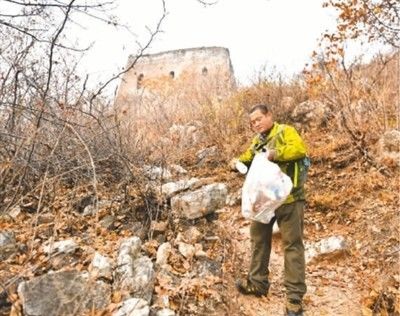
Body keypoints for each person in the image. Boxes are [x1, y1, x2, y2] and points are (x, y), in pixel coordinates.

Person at [230, 104, 308, 316]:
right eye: (252, 122)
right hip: (265, 202)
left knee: (292, 245)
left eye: (259, 119)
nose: (256, 124)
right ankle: (258, 283)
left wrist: (275, 153)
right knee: (258, 238)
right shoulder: (258, 141)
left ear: (269, 116)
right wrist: (237, 162)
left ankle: (294, 299)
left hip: (290, 198)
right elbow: (248, 157)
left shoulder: (285, 131)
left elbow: (299, 149)